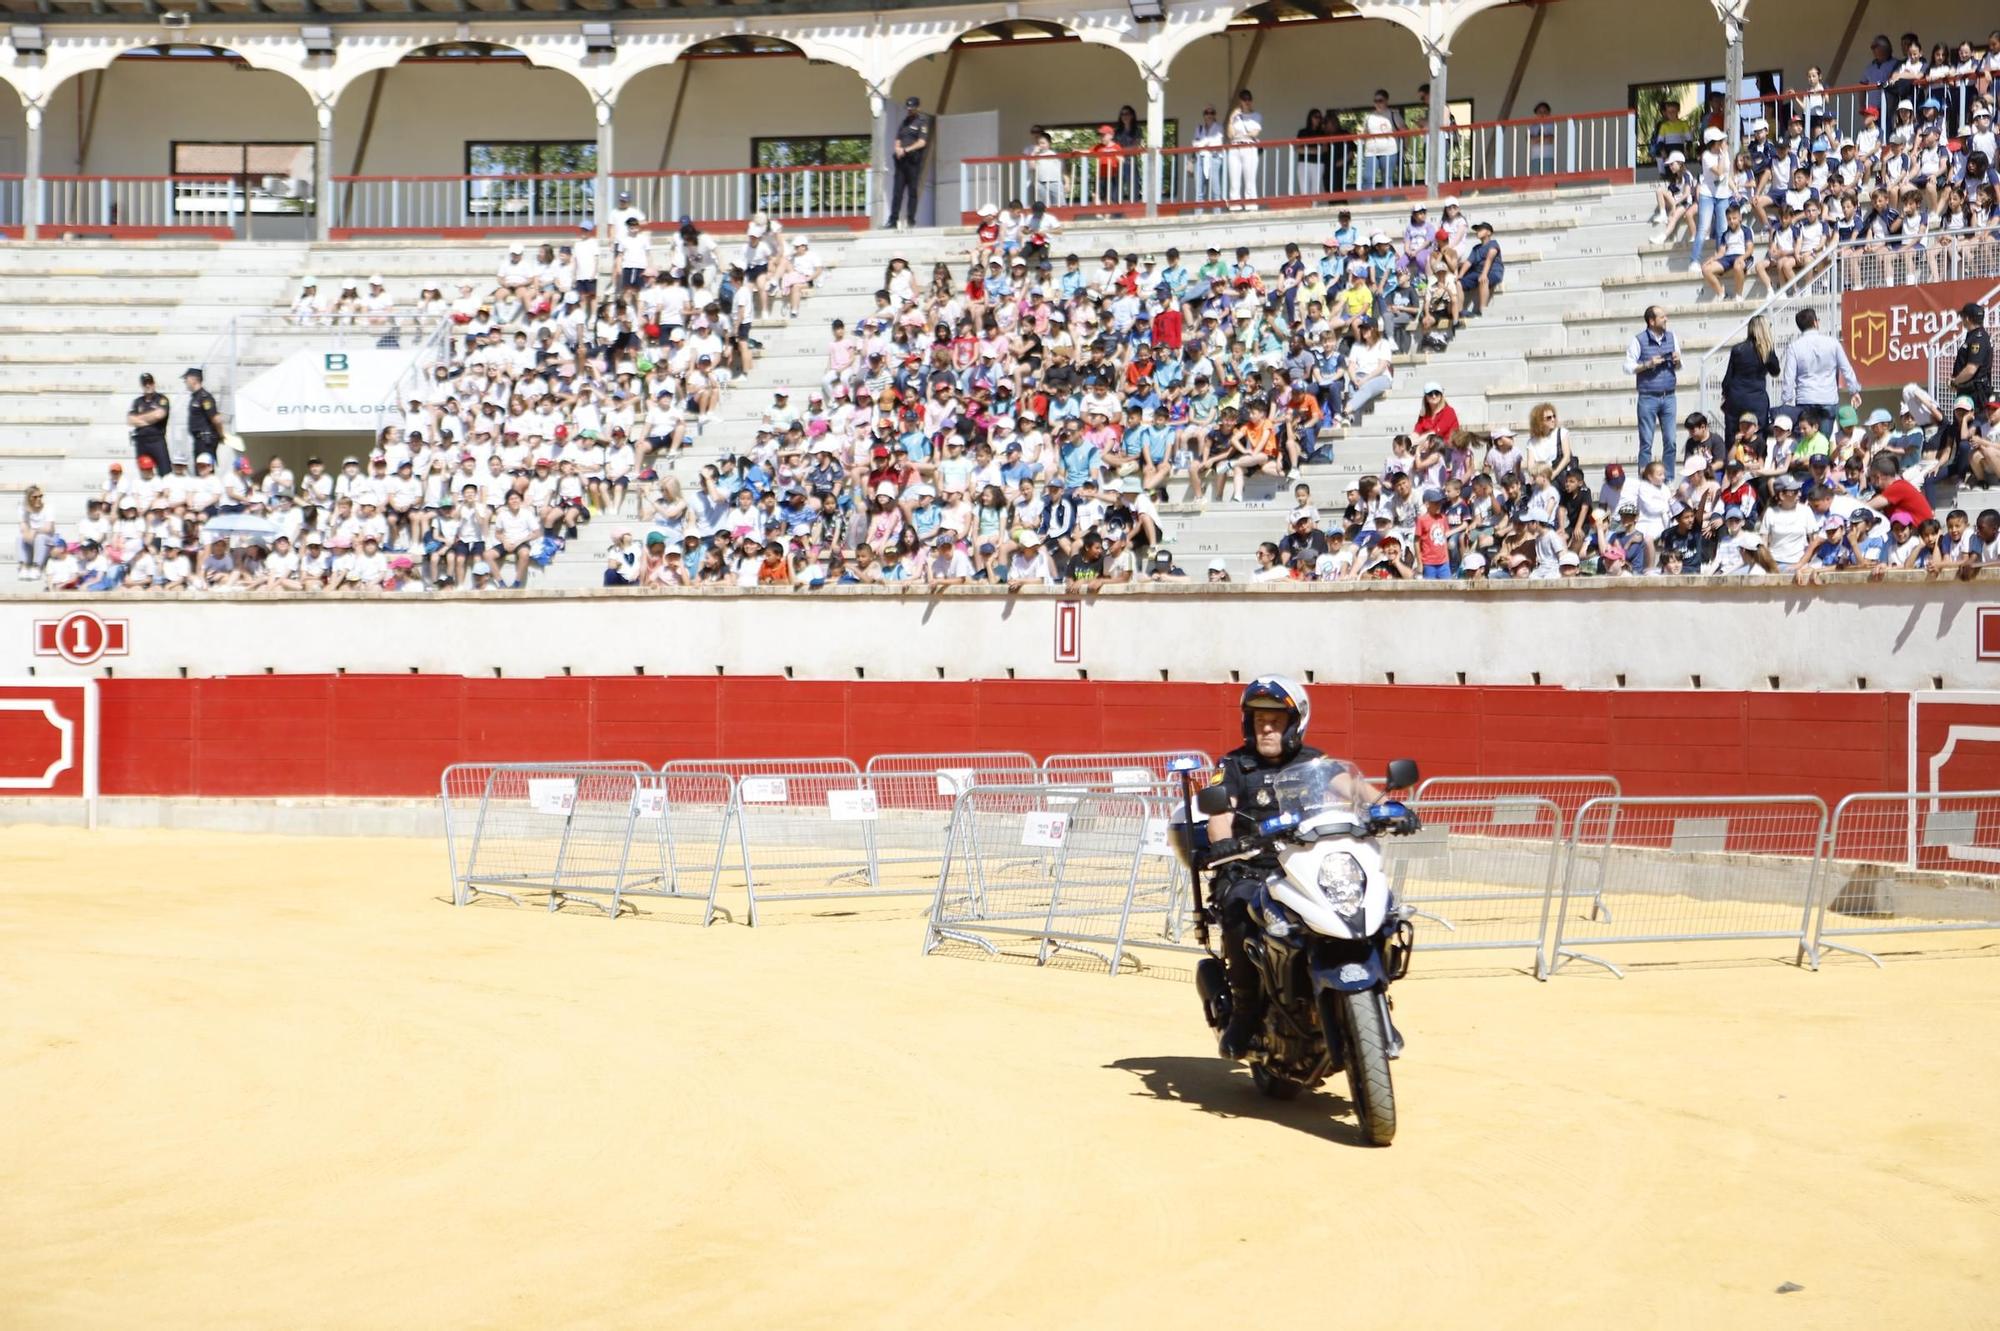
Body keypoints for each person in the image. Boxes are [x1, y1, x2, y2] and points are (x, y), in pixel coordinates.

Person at [1202, 677, 1384, 1059]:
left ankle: (1375, 996)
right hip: (1252, 867)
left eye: (1274, 719)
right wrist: (1224, 846)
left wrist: (1385, 808)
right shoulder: (1235, 765)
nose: (1265, 727)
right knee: (1238, 906)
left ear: (1294, 721)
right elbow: (1220, 814)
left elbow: (1358, 790)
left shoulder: (1317, 762)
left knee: (1379, 903)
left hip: (1303, 865)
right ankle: (1247, 1011)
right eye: (1258, 720)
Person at [1624, 305, 1681, 479]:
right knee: (1646, 443)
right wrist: (1648, 364)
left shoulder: (1671, 337)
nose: (1666, 319)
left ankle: (1668, 478)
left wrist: (1678, 360)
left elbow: (1678, 366)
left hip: (1669, 395)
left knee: (1670, 441)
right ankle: (1645, 480)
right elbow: (1628, 367)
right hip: (1648, 397)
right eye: (1662, 316)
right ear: (1651, 321)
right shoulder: (1638, 340)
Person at [1780, 307, 1862, 421]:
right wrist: (1854, 391)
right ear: (1815, 322)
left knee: (1808, 438)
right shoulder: (1833, 343)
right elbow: (1846, 368)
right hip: (1828, 398)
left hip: (1805, 398)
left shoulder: (1794, 347)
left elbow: (1789, 377)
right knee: (1824, 439)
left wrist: (1786, 399)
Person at [1722, 314, 1780, 431]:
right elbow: (1775, 371)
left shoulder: (1738, 349)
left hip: (1736, 397)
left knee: (1734, 437)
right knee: (1757, 437)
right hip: (1756, 398)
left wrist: (1725, 396)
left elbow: (1727, 380)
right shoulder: (1766, 351)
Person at [889, 96, 929, 230]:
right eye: (908, 108)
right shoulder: (904, 122)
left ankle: (911, 219)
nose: (909, 110)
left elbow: (922, 142)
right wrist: (897, 148)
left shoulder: (922, 122)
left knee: (912, 192)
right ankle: (893, 220)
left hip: (913, 161)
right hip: (901, 161)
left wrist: (906, 150)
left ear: (918, 108)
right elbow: (898, 138)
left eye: (912, 108)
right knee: (897, 192)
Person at [1224, 88, 1263, 210]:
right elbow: (1230, 135)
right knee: (1234, 180)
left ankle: (1250, 204)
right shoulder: (1235, 117)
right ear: (1240, 101)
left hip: (1248, 146)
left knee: (1250, 179)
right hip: (1235, 147)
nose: (1247, 101)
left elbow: (1254, 132)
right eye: (1244, 99)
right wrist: (1231, 118)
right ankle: (1234, 205)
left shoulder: (1256, 116)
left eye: (1249, 99)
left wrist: (1241, 134)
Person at [127, 372, 171, 476]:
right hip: (141, 441)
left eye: (150, 382)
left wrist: (140, 418)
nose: (148, 385)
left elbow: (159, 415)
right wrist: (150, 418)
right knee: (144, 472)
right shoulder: (137, 401)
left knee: (165, 472)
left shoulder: (162, 399)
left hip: (157, 440)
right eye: (145, 383)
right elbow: (130, 420)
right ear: (142, 385)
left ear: (154, 383)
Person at [1951, 302, 1993, 407]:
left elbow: (1971, 369)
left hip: (1975, 393)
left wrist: (1955, 382)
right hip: (1970, 390)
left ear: (1967, 319)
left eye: (1962, 317)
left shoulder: (1978, 338)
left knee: (1972, 422)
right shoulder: (1975, 336)